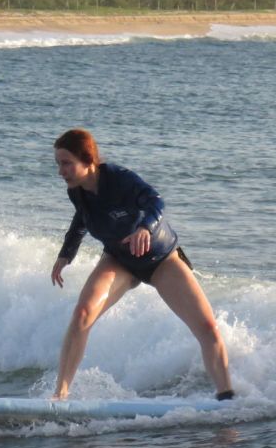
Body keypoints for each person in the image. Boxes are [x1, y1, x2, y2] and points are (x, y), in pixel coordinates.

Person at [50, 128, 234, 401]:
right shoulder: (77, 191)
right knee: (82, 314)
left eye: (66, 163)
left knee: (207, 327)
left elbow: (155, 201)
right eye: (58, 164)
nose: (61, 171)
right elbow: (81, 220)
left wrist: (145, 229)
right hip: (119, 259)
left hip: (160, 260)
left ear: (88, 160)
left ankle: (226, 397)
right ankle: (60, 397)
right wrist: (66, 254)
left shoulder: (119, 179)